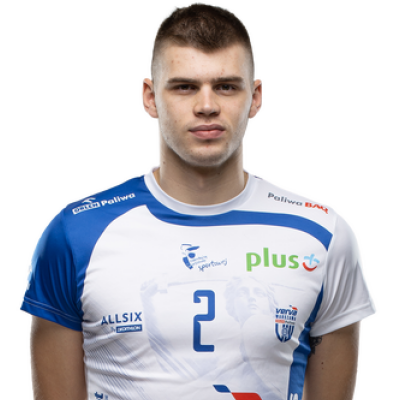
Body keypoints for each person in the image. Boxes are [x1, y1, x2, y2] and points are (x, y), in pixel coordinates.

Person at [18, 2, 379, 399]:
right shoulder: (76, 233)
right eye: (184, 87)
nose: (206, 106)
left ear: (256, 97)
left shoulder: (323, 232)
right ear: (149, 97)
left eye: (226, 86)